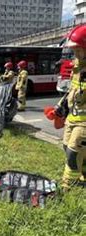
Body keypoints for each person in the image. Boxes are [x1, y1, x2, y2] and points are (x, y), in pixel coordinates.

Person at [58, 25, 86, 190]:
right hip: (72, 118)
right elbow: (71, 89)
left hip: (84, 122)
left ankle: (69, 186)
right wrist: (61, 105)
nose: (75, 53)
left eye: (78, 49)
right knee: (66, 147)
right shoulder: (76, 66)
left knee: (73, 152)